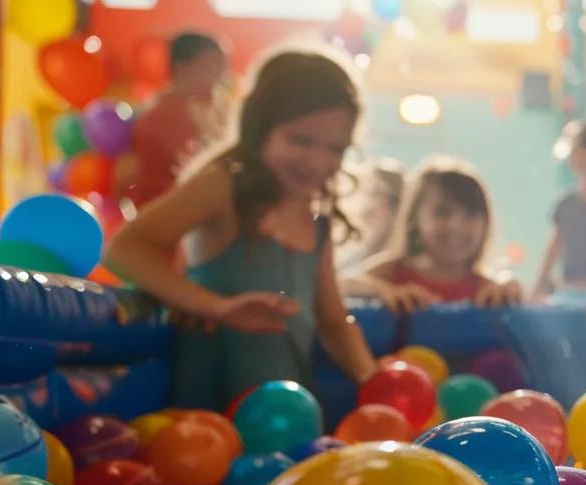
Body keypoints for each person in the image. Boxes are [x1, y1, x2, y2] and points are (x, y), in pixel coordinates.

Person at [106, 48, 377, 411]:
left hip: (286, 419)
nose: (318, 162)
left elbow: (333, 323)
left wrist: (373, 381)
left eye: (336, 149)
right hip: (209, 424)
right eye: (300, 140)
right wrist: (215, 306)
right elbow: (125, 248)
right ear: (261, 128)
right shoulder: (225, 187)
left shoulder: (315, 220)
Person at [342, 156, 523, 312]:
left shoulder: (486, 290)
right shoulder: (392, 271)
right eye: (442, 212)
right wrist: (382, 291)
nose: (456, 226)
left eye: (470, 215)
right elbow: (340, 286)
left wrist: (509, 289)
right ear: (415, 219)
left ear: (486, 223)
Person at [127, 32, 228, 207]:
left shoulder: (199, 109)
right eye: (211, 65)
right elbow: (203, 173)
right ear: (183, 68)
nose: (220, 76)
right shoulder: (166, 115)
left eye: (222, 66)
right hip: (166, 218)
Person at [534, 121, 586, 302]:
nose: (573, 158)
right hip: (570, 291)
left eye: (577, 151)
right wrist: (538, 289)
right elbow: (554, 248)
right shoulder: (566, 204)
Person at [334, 157, 405, 272]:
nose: (368, 205)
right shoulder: (349, 260)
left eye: (376, 193)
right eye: (366, 192)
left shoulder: (402, 266)